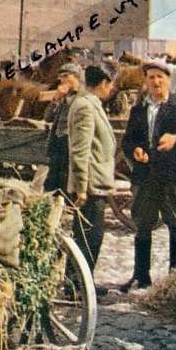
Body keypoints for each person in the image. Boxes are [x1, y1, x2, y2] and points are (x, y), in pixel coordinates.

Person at [120, 59, 176, 290]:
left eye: (160, 77)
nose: (155, 82)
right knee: (143, 224)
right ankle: (141, 276)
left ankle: (174, 279)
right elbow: (128, 141)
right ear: (145, 81)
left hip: (172, 176)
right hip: (145, 177)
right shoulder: (138, 110)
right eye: (151, 77)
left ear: (168, 80)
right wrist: (135, 151)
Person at [67, 63, 119, 280]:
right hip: (90, 187)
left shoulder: (90, 104)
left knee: (89, 239)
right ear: (104, 83)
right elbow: (80, 150)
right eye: (111, 85)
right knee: (89, 239)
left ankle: (79, 284)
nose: (112, 89)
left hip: (94, 185)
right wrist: (81, 188)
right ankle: (79, 286)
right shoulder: (86, 107)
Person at [42, 62, 85, 194]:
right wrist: (55, 100)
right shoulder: (63, 96)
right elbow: (47, 118)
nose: (63, 81)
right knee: (51, 181)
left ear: (76, 77)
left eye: (66, 77)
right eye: (61, 78)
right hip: (58, 142)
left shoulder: (83, 96)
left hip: (72, 142)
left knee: (65, 180)